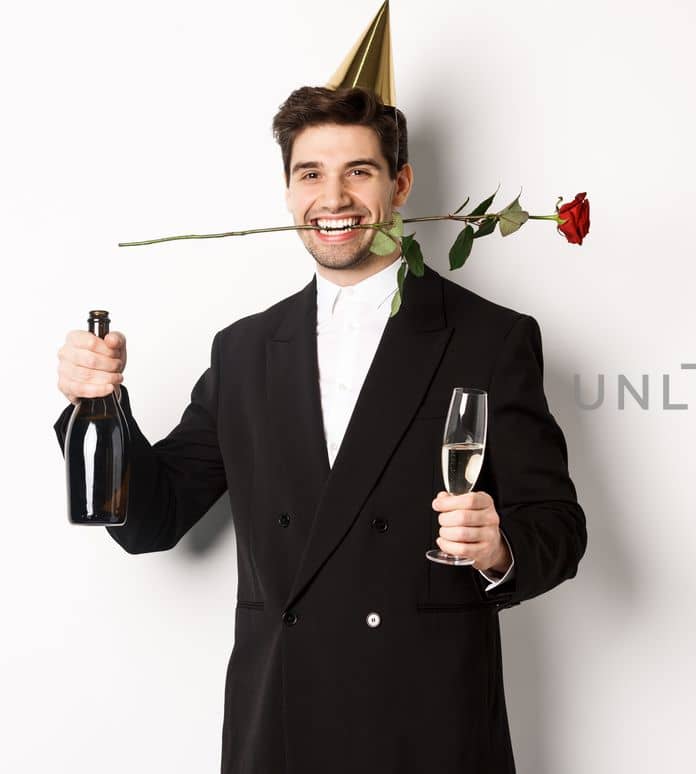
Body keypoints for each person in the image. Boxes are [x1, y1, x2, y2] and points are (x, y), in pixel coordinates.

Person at [50, 79, 586, 772]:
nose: (332, 199)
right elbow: (152, 521)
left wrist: (499, 547)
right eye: (311, 174)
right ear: (287, 192)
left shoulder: (490, 337)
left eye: (358, 171)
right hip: (280, 726)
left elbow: (560, 528)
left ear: (401, 183)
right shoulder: (242, 351)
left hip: (428, 726)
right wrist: (99, 407)